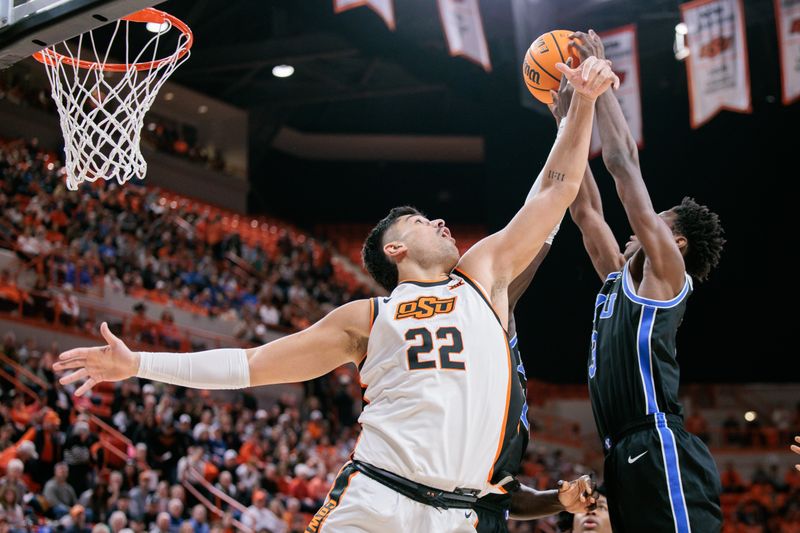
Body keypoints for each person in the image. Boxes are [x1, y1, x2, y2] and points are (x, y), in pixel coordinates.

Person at [54, 56, 618, 533]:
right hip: (374, 502)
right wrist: (139, 364)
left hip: (460, 515)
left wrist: (585, 103)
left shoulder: (483, 276)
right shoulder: (365, 318)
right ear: (394, 250)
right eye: (422, 220)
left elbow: (554, 189)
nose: (441, 221)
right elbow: (251, 366)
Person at [551, 31, 725, 533]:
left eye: (658, 222)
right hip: (621, 452)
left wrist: (599, 85)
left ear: (678, 244)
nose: (638, 227)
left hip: (659, 442)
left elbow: (624, 168)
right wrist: (567, 116)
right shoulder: (616, 279)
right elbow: (582, 210)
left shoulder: (666, 276)